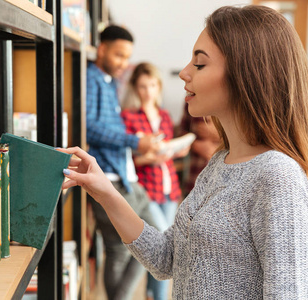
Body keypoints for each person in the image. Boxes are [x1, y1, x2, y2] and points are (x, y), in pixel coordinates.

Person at [60, 5, 308, 299]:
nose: (183, 73)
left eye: (200, 64)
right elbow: (166, 258)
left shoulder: (278, 179)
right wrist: (104, 190)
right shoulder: (220, 162)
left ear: (245, 74)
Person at [85, 25, 159, 300]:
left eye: (127, 57)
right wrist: (133, 140)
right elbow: (89, 126)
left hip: (126, 178)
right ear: (102, 49)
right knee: (118, 251)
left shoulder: (109, 82)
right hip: (110, 180)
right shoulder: (91, 79)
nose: (123, 63)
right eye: (118, 55)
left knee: (155, 240)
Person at [121, 62, 187, 300]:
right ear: (135, 88)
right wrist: (148, 157)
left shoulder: (164, 116)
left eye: (152, 85)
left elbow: (167, 148)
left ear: (158, 87)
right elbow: (126, 161)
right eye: (142, 86)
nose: (148, 91)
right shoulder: (128, 117)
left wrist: (174, 151)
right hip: (146, 190)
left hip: (169, 190)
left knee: (163, 251)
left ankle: (154, 295)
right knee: (159, 245)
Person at [175, 105, 220, 195]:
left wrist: (219, 134)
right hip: (194, 180)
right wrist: (195, 145)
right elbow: (181, 134)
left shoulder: (235, 97)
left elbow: (246, 137)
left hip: (222, 183)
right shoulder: (191, 100)